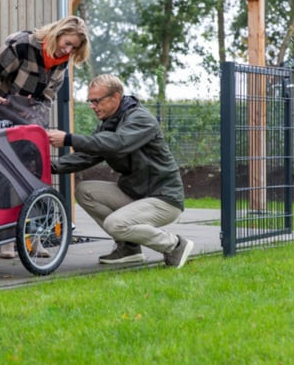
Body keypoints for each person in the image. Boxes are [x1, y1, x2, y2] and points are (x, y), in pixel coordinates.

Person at [47, 74, 194, 269]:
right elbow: (88, 156)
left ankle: (175, 245)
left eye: (96, 100)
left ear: (115, 97)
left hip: (163, 198)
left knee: (115, 224)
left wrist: (69, 139)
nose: (92, 105)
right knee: (85, 190)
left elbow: (118, 144)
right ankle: (128, 248)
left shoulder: (141, 119)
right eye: (90, 101)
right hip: (136, 193)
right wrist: (49, 167)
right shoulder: (110, 122)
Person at [0, 16, 90, 258]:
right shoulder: (23, 45)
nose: (67, 50)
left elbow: (47, 97)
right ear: (58, 33)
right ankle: (6, 241)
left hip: (27, 121)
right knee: (3, 176)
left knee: (33, 176)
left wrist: (39, 121)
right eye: (66, 43)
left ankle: (34, 238)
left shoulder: (62, 60)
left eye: (73, 48)